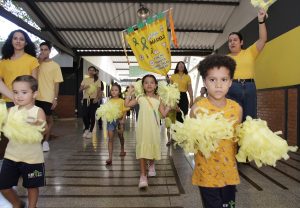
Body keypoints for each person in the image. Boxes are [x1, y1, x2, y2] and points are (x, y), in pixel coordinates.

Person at [190, 54, 242, 208]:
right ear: (205, 82)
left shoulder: (237, 109)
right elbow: (192, 141)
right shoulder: (197, 109)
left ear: (230, 82)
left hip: (229, 173)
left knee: (229, 206)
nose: (218, 85)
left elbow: (238, 139)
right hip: (206, 173)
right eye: (212, 80)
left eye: (224, 80)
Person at [0, 75, 47, 208]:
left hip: (32, 158)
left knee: (31, 187)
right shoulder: (10, 110)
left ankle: (32, 206)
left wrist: (36, 123)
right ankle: (17, 203)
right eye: (15, 92)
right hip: (11, 156)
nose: (18, 96)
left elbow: (44, 129)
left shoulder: (38, 111)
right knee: (3, 186)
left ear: (34, 94)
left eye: (24, 92)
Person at [125, 74, 170, 188]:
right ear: (143, 86)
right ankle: (143, 176)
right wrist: (129, 94)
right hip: (142, 128)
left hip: (154, 127)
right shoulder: (140, 97)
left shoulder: (159, 98)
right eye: (146, 82)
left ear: (155, 85)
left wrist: (170, 105)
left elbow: (164, 114)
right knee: (142, 149)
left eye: (151, 82)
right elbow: (127, 104)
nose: (149, 84)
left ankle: (151, 164)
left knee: (152, 145)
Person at [227, 8, 267, 121]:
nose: (232, 42)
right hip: (232, 88)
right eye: (230, 41)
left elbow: (263, 39)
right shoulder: (225, 59)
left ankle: (248, 138)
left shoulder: (250, 52)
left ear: (241, 42)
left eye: (235, 40)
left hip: (250, 87)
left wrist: (261, 20)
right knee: (234, 119)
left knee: (250, 119)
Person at [35, 42, 64, 152]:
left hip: (48, 97)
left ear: (50, 51)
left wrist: (55, 99)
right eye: (41, 49)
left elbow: (57, 83)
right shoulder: (36, 63)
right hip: (35, 96)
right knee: (37, 120)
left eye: (45, 49)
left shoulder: (55, 66)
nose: (43, 52)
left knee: (48, 120)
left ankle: (46, 142)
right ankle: (37, 141)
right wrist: (39, 61)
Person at [0, 29, 39, 108]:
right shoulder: (3, 62)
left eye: (21, 39)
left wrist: (32, 106)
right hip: (7, 101)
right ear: (11, 41)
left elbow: (34, 85)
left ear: (26, 43)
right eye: (15, 38)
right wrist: (13, 96)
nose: (18, 41)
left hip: (26, 102)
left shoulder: (32, 60)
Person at [105, 83, 128, 165]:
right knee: (110, 139)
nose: (114, 91)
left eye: (116, 90)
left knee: (121, 136)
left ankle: (122, 148)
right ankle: (110, 157)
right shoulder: (109, 101)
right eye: (112, 90)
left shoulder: (122, 101)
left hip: (119, 121)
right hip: (110, 121)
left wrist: (123, 120)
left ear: (119, 92)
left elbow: (125, 111)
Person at [79, 66, 102, 139]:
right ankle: (86, 128)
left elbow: (99, 90)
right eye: (90, 70)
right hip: (86, 99)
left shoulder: (97, 80)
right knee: (84, 114)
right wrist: (85, 87)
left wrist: (97, 98)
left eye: (93, 70)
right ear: (88, 71)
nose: (91, 71)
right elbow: (80, 90)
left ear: (95, 72)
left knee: (92, 115)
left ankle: (91, 131)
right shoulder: (85, 79)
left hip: (93, 100)